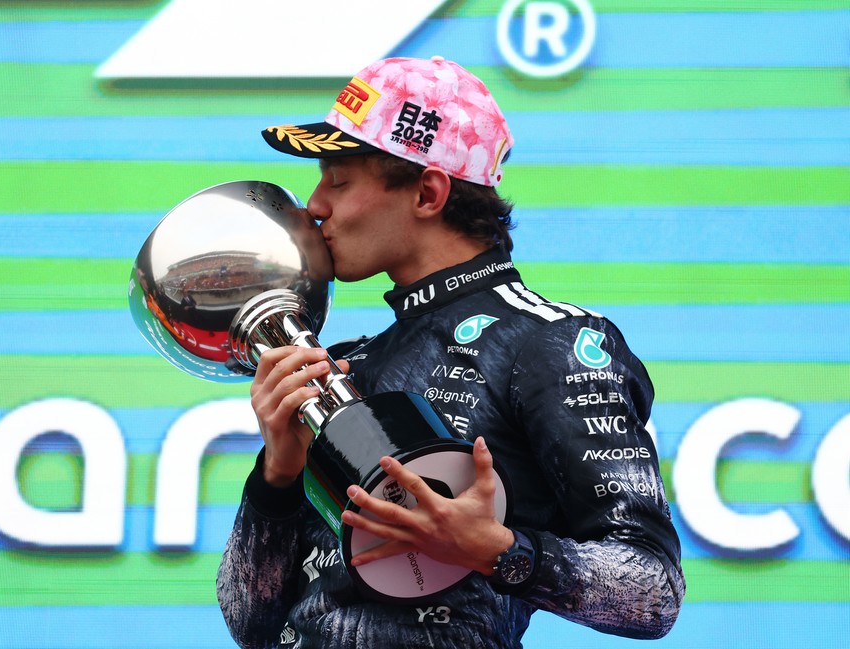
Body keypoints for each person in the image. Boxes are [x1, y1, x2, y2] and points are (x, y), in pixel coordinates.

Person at [216, 56, 684, 648]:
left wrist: (497, 552)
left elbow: (655, 593)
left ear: (428, 192)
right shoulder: (341, 364)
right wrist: (277, 473)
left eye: (338, 179)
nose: (314, 205)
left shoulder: (551, 343)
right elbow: (248, 621)